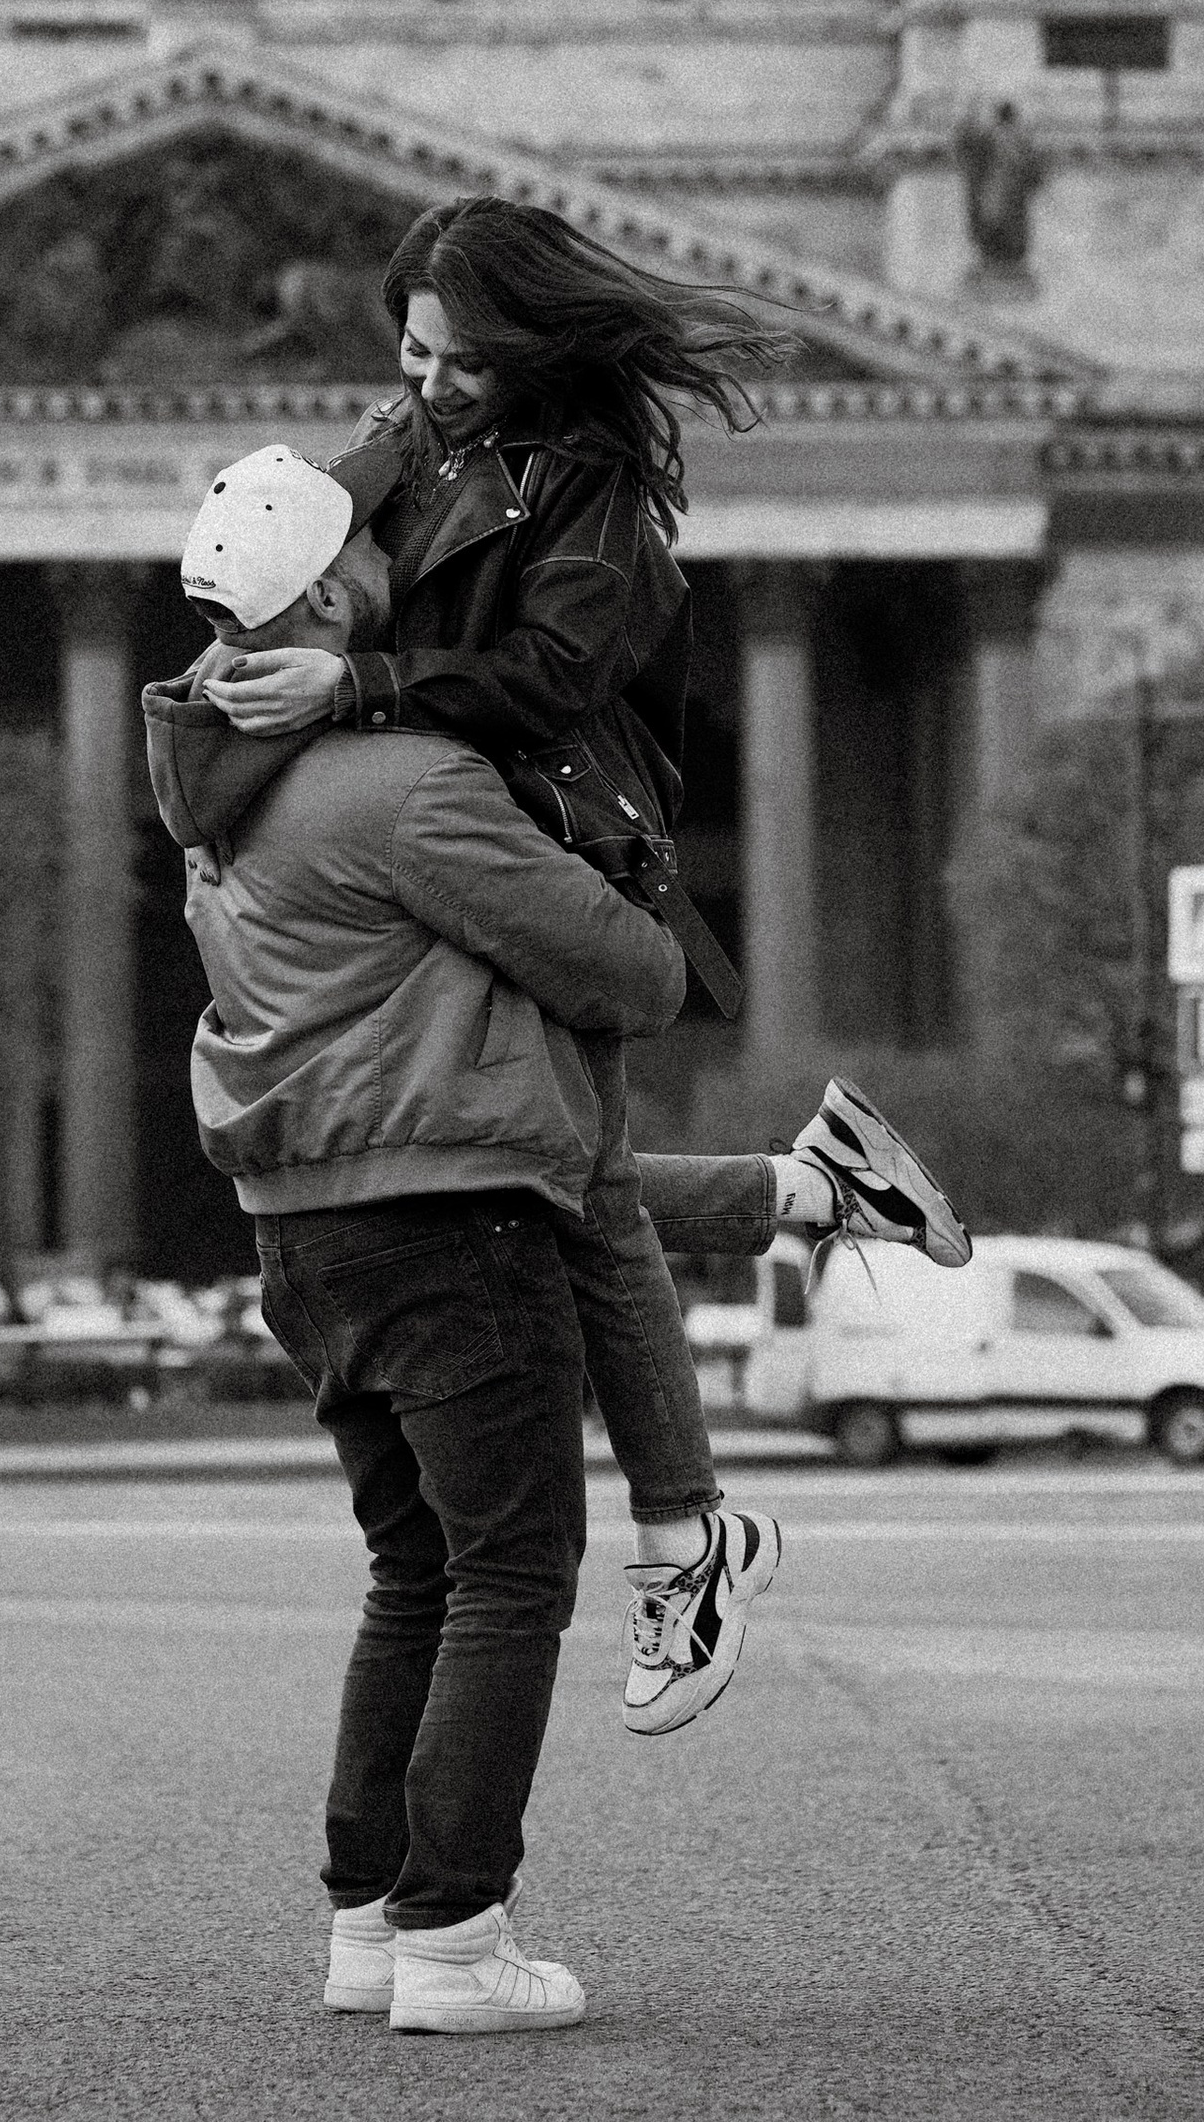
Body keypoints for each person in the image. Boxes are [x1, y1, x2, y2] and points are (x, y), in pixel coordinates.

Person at [196, 200, 972, 1735]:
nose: (424, 386)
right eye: (409, 354)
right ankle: (816, 1200)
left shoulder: (602, 489)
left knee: (585, 1185)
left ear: (533, 351)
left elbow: (553, 679)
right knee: (562, 1163)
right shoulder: (412, 426)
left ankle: (693, 1539)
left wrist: (354, 681)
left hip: (562, 828)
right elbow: (320, 526)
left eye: (459, 361)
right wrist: (243, 605)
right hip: (444, 800)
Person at [144, 447, 688, 2034]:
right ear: (321, 597)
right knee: (514, 1570)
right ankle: (456, 1936)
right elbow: (634, 977)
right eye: (370, 551)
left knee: (417, 1572)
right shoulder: (403, 787)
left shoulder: (217, 798)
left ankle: (371, 1921)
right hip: (452, 1218)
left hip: (307, 1237)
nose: (398, 563)